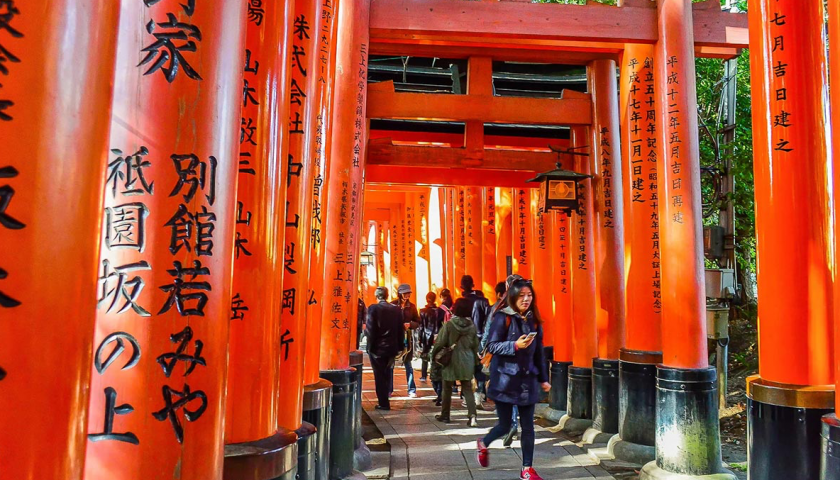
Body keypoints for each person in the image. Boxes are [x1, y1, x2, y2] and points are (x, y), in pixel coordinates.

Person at [476, 279, 550, 480]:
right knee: (505, 425)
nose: (526, 299)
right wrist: (514, 345)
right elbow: (491, 346)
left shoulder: (533, 320)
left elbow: (539, 352)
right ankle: (483, 443)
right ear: (513, 297)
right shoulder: (503, 318)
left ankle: (527, 469)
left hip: (527, 380)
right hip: (505, 380)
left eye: (529, 295)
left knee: (528, 426)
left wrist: (544, 378)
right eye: (522, 296)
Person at [481, 276, 523, 447]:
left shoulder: (499, 307)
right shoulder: (523, 305)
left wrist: (482, 348)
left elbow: (488, 330)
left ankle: (512, 423)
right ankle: (513, 422)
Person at [431, 298, 480, 427]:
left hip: (451, 359)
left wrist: (434, 355)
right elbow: (475, 345)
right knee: (467, 388)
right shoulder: (472, 326)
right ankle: (472, 416)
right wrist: (475, 360)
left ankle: (445, 415)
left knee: (447, 387)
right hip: (467, 359)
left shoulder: (449, 325)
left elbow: (440, 343)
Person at [366, 287, 406, 411]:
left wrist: (369, 347)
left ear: (377, 296)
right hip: (391, 347)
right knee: (388, 373)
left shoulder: (373, 308)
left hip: (378, 348)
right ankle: (386, 397)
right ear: (387, 295)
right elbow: (401, 329)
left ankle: (383, 402)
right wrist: (400, 346)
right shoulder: (396, 309)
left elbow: (370, 330)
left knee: (379, 375)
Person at [458, 275, 491, 408]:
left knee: (466, 367)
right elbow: (489, 321)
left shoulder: (461, 301)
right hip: (480, 338)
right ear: (473, 285)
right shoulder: (483, 301)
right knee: (480, 367)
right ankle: (480, 394)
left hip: (466, 339)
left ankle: (466, 396)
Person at [392, 283, 421, 397]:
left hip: (407, 338)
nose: (407, 295)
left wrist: (411, 324)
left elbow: (418, 321)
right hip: (394, 338)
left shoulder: (412, 307)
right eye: (405, 293)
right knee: (391, 364)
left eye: (408, 293)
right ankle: (389, 389)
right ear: (400, 294)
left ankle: (412, 389)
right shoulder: (393, 305)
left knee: (408, 364)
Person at [418, 292, 443, 382]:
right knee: (437, 355)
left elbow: (421, 326)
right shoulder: (439, 311)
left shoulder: (422, 311)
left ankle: (424, 375)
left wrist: (420, 338)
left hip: (426, 336)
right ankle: (436, 374)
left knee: (425, 355)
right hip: (437, 336)